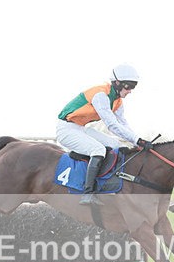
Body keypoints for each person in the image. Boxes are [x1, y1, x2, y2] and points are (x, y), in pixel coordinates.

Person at [56, 63, 153, 205]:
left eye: (133, 86)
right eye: (128, 86)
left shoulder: (118, 101)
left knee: (116, 145)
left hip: (81, 128)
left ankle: (109, 184)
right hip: (66, 129)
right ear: (117, 83)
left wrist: (137, 142)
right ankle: (87, 194)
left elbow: (123, 124)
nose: (130, 91)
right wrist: (137, 140)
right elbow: (112, 125)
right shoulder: (101, 95)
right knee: (98, 149)